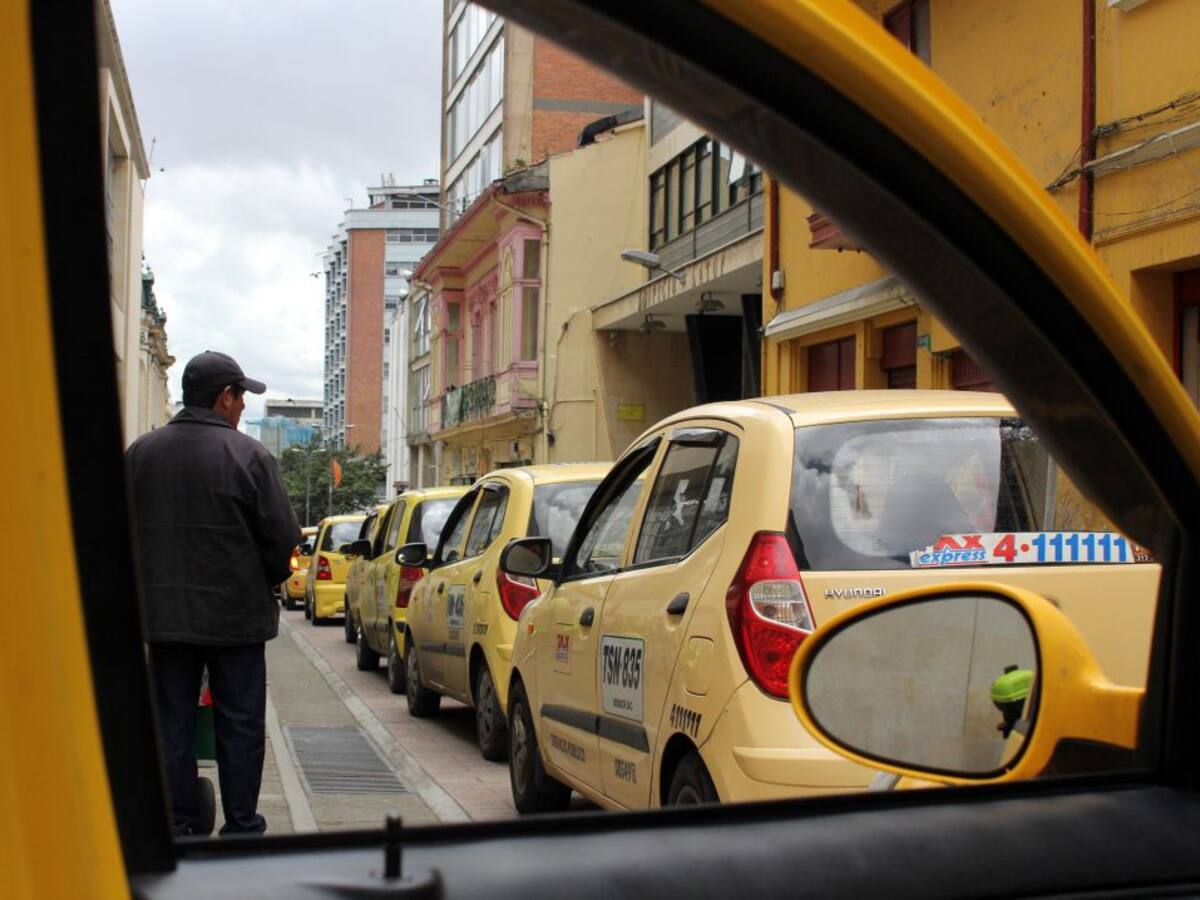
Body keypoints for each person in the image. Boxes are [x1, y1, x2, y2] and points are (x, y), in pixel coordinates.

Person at [125, 350, 300, 835]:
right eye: (241, 396)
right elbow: (283, 538)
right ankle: (242, 825)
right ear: (225, 397)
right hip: (237, 621)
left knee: (170, 721)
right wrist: (264, 579)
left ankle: (181, 823)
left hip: (163, 619)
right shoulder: (251, 457)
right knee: (240, 723)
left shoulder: (141, 454)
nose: (244, 407)